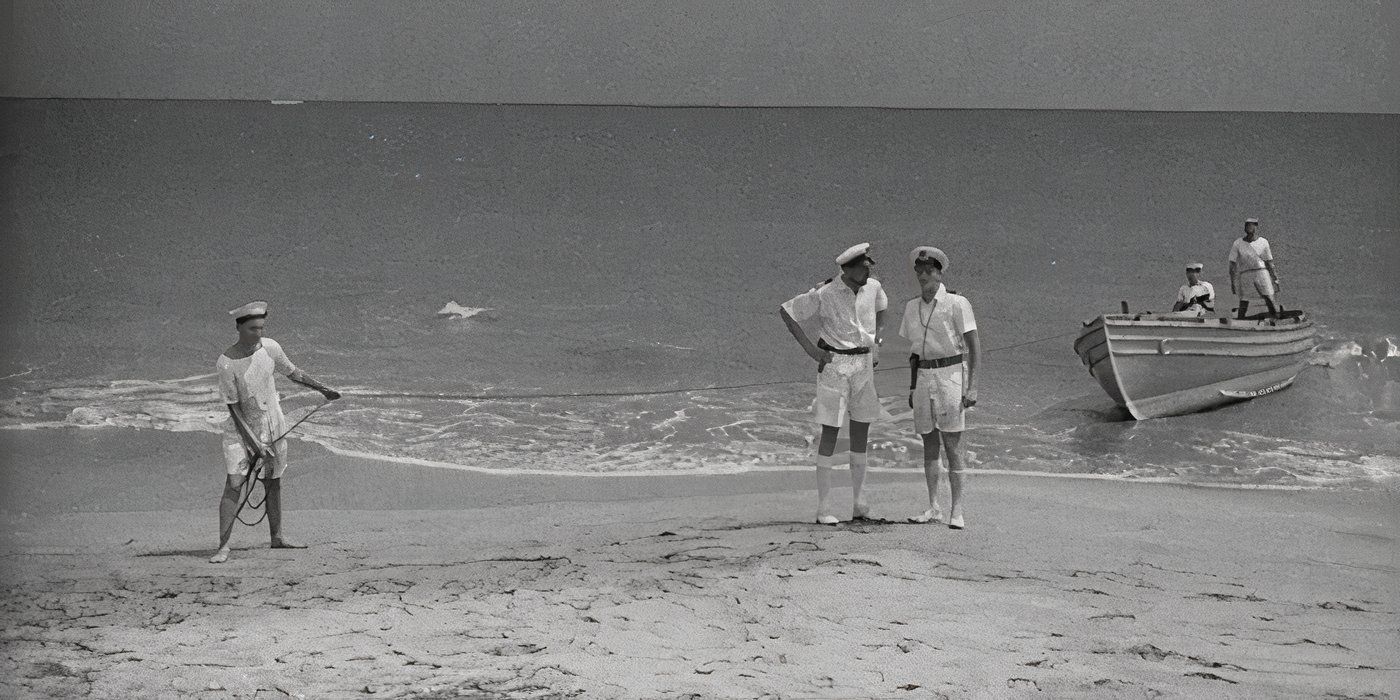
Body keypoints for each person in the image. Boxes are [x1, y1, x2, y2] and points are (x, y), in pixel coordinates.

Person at [211, 301, 341, 564]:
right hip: (242, 429)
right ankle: (223, 547)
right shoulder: (226, 363)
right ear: (239, 328)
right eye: (251, 329)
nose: (257, 334)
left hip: (273, 423)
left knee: (273, 480)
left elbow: (293, 372)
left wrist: (323, 389)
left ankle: (277, 538)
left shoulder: (270, 347)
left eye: (261, 328)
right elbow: (234, 408)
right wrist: (254, 444)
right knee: (234, 483)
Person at [779, 243, 888, 524]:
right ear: (848, 268)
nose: (868, 271)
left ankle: (859, 503)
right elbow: (787, 311)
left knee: (862, 431)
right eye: (864, 267)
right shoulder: (825, 293)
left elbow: (882, 309)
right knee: (830, 432)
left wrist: (876, 343)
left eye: (869, 266)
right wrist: (812, 351)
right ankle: (824, 508)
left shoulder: (873, 287)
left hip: (863, 364)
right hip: (835, 365)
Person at [899, 247, 979, 530]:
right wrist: (911, 386)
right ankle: (933, 506)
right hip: (923, 376)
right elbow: (913, 352)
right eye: (918, 270)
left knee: (953, 445)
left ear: (939, 272)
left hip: (950, 374)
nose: (923, 275)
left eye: (929, 270)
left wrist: (973, 387)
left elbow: (974, 345)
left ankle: (957, 509)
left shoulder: (957, 303)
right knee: (928, 444)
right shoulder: (911, 307)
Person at [1228, 217, 1281, 317]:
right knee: (1244, 300)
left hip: (1261, 272)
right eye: (1247, 225)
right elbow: (1232, 265)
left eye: (1252, 225)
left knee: (1269, 297)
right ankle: (1240, 322)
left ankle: (1276, 319)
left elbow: (1269, 262)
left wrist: (1275, 278)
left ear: (1256, 227)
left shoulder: (1263, 242)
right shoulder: (1238, 243)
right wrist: (1233, 282)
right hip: (1246, 274)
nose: (1250, 228)